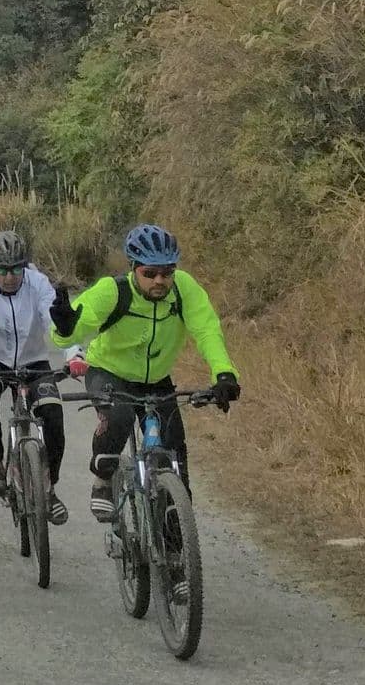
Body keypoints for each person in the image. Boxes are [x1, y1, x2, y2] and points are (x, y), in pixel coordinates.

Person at [48, 223, 241, 523]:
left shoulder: (183, 289)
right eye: (150, 273)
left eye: (167, 272)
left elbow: (206, 330)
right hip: (109, 372)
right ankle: (102, 481)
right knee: (120, 416)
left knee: (174, 449)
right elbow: (72, 332)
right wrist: (65, 326)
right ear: (134, 268)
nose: (159, 280)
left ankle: (177, 550)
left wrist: (224, 374)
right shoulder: (113, 291)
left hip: (156, 380)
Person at [0, 230, 70, 524]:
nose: (9, 276)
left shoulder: (38, 283)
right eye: (2, 270)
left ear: (25, 267)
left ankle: (49, 488)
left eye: (16, 269)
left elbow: (55, 320)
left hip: (34, 359)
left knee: (53, 415)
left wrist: (75, 355)